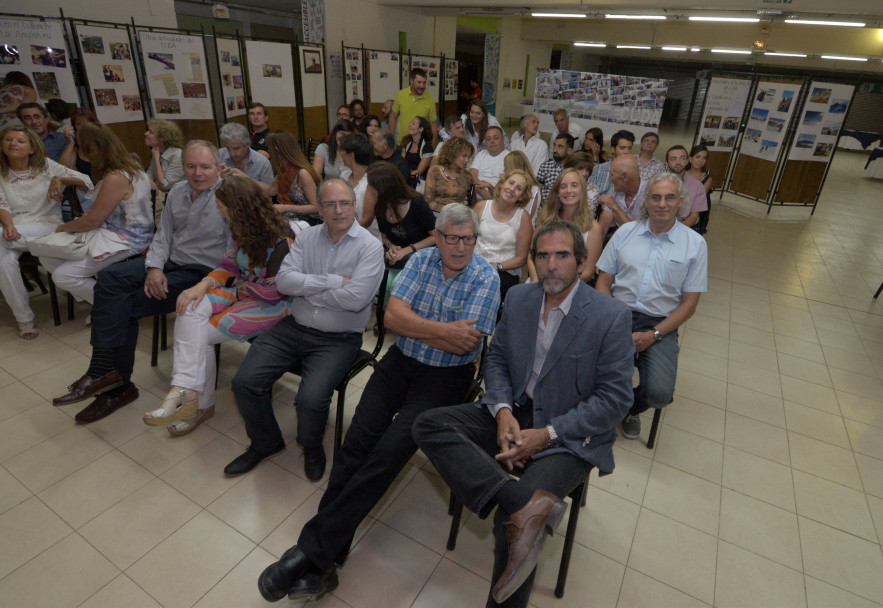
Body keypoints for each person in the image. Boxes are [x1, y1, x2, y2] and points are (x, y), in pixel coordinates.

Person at [256, 204, 500, 602]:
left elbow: (466, 343)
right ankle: (325, 559)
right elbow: (392, 318)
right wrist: (438, 330)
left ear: (476, 240)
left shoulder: (486, 277)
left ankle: (309, 551)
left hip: (446, 378)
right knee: (355, 445)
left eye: (468, 239)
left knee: (386, 455)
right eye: (451, 238)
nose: (459, 247)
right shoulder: (421, 260)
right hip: (400, 363)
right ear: (437, 237)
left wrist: (417, 325)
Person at [413, 221, 635, 608]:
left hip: (568, 434)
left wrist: (547, 434)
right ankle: (519, 501)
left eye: (562, 255)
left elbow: (615, 400)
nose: (551, 265)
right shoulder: (518, 297)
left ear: (582, 261)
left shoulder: (611, 316)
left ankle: (519, 512)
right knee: (429, 424)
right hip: (516, 411)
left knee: (511, 530)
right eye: (543, 256)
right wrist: (500, 410)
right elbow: (496, 357)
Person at [51, 141, 229, 422]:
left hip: (203, 274)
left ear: (218, 167)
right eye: (190, 166)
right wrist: (154, 268)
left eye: (205, 167)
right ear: (182, 167)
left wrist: (206, 281)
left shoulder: (230, 195)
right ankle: (106, 375)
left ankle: (114, 382)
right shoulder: (179, 191)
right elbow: (164, 235)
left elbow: (234, 254)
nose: (197, 173)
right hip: (171, 263)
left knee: (126, 305)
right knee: (110, 277)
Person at [225, 178, 385, 481]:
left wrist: (306, 285)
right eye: (329, 204)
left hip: (338, 339)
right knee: (245, 382)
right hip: (293, 326)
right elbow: (284, 282)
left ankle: (311, 446)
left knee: (310, 400)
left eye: (345, 203)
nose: (338, 210)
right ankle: (266, 442)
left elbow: (356, 300)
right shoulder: (307, 237)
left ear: (354, 205)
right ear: (320, 208)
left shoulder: (370, 247)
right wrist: (333, 281)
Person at [143, 176, 292, 436]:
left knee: (199, 334)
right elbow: (229, 266)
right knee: (189, 306)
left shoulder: (282, 239)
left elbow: (273, 292)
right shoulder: (239, 228)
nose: (219, 211)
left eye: (222, 207)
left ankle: (195, 402)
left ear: (238, 208)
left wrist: (245, 286)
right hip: (244, 291)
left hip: (272, 306)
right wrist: (202, 285)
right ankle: (185, 392)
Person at [596, 172, 708, 440]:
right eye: (655, 197)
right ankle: (598, 409)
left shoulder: (695, 244)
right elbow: (603, 283)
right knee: (587, 369)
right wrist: (615, 321)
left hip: (659, 324)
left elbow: (689, 305)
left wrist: (654, 334)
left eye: (670, 198)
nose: (662, 204)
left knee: (659, 393)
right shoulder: (625, 232)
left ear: (681, 201)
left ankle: (628, 409)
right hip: (616, 315)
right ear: (646, 201)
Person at [38, 123, 155, 312]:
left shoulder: (116, 176)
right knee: (46, 253)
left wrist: (62, 228)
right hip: (118, 232)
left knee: (62, 276)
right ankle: (100, 301)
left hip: (130, 239)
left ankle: (115, 308)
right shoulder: (131, 167)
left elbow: (93, 220)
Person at [0, 125, 94, 339]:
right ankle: (24, 319)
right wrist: (8, 225)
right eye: (8, 139)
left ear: (32, 148)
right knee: (3, 262)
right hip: (13, 231)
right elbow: (1, 204)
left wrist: (59, 179)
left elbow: (87, 182)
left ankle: (25, 320)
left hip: (47, 224)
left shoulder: (46, 166)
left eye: (20, 141)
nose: (13, 143)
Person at [528, 168, 604, 283]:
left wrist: (560, 287)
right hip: (539, 282)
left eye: (574, 185)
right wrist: (535, 279)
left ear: (582, 191)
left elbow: (588, 272)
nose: (568, 190)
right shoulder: (544, 221)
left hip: (572, 287)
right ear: (557, 193)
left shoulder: (594, 229)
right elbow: (531, 256)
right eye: (563, 187)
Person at [369, 161, 436, 288]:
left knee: (396, 278)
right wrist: (392, 246)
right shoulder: (380, 207)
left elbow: (435, 237)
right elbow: (384, 236)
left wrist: (408, 249)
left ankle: (390, 301)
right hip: (397, 255)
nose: (369, 190)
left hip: (420, 255)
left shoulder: (417, 204)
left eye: (372, 187)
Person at [474, 168, 533, 307]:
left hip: (503, 272)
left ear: (522, 197)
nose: (512, 189)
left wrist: (496, 266)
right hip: (475, 266)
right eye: (510, 183)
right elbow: (467, 239)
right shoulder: (481, 207)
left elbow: (521, 259)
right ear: (501, 184)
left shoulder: (523, 217)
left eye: (518, 188)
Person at [264, 130, 321, 223]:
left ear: (279, 150)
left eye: (270, 148)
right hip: (295, 218)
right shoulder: (283, 168)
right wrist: (244, 178)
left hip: (310, 221)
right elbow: (271, 190)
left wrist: (285, 208)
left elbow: (316, 207)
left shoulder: (303, 173)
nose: (269, 151)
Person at [339, 132, 379, 239]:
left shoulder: (370, 182)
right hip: (344, 231)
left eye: (343, 150)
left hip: (367, 236)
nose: (341, 153)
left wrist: (342, 231)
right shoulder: (344, 176)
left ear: (351, 155)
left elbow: (367, 220)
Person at [424, 136, 475, 211]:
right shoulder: (434, 171)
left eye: (468, 157)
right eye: (464, 156)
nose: (467, 160)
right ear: (453, 154)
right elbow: (428, 201)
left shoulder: (467, 176)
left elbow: (473, 203)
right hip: (436, 213)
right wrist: (447, 211)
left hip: (458, 214)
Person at [389, 68, 438, 144]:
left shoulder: (430, 99)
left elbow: (433, 125)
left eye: (424, 83)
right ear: (411, 81)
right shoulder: (401, 95)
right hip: (402, 143)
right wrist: (391, 140)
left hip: (421, 145)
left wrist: (433, 147)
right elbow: (392, 116)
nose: (422, 86)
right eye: (419, 82)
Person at [665, 145, 708, 229]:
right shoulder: (656, 183)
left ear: (688, 160)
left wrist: (675, 231)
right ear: (666, 162)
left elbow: (694, 216)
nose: (678, 162)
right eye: (673, 159)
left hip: (682, 227)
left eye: (682, 158)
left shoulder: (698, 186)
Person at [598, 154, 645, 230]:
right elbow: (603, 226)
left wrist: (615, 207)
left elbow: (635, 234)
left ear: (625, 178)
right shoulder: (615, 190)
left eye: (612, 175)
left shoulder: (651, 195)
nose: (610, 179)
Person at [589, 130, 635, 195]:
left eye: (629, 148)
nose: (626, 152)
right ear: (613, 149)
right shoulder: (598, 169)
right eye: (622, 148)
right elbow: (588, 196)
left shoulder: (632, 173)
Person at [144, 118, 185, 192]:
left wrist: (157, 159)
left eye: (151, 132)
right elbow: (149, 175)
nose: (146, 133)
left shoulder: (178, 155)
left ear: (162, 138)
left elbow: (165, 185)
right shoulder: (157, 152)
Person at [469, 126, 509, 200]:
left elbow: (506, 182)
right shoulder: (481, 154)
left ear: (503, 140)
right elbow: (472, 173)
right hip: (475, 192)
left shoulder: (509, 157)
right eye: (488, 139)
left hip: (497, 196)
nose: (492, 141)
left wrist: (491, 190)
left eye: (495, 138)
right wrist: (482, 192)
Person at [503, 151, 541, 220]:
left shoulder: (533, 189)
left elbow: (526, 217)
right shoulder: (505, 184)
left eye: (506, 167)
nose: (504, 170)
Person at [562, 151, 602, 216]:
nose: (585, 174)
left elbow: (587, 215)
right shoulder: (561, 186)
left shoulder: (593, 190)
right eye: (580, 168)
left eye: (587, 170)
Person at [536, 133, 573, 202]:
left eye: (560, 147)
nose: (555, 150)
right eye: (554, 146)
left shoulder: (573, 169)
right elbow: (538, 188)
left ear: (569, 151)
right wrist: (543, 205)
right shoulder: (545, 166)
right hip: (544, 206)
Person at [399, 116, 433, 186]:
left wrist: (401, 175)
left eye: (413, 124)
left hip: (420, 183)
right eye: (410, 123)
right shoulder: (406, 144)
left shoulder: (427, 147)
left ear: (420, 129)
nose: (409, 125)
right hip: (405, 180)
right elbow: (401, 164)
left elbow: (419, 172)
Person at [687, 144, 713, 234]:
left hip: (695, 212)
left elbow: (698, 199)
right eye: (697, 157)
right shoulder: (682, 174)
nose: (700, 161)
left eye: (704, 158)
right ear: (690, 158)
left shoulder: (707, 179)